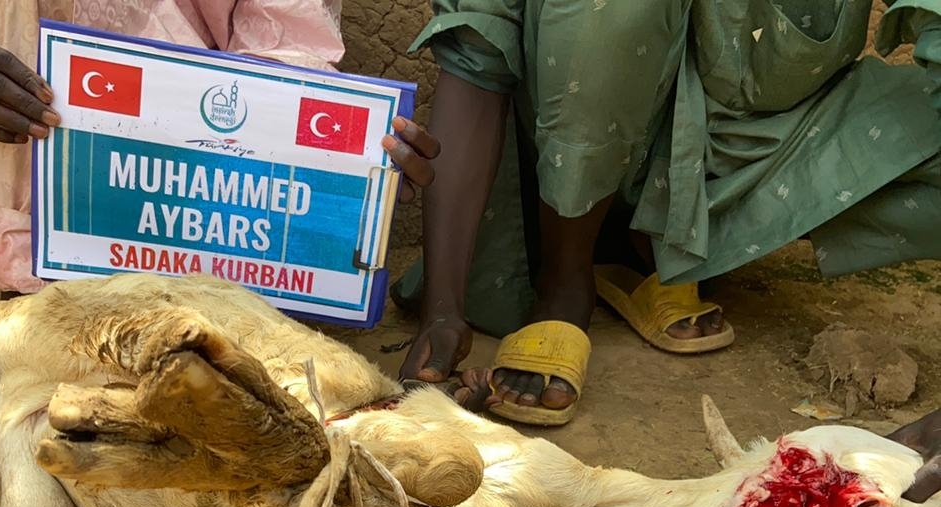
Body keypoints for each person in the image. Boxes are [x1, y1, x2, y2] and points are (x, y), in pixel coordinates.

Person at [0, 0, 440, 464]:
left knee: (218, 374)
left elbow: (291, 54)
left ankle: (45, 378)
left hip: (214, 240)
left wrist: (345, 174)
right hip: (50, 218)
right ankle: (43, 357)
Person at [396, 0, 941, 428]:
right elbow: (477, 55)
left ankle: (660, 254)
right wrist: (444, 307)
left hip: (754, 162)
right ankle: (566, 276)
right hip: (564, 164)